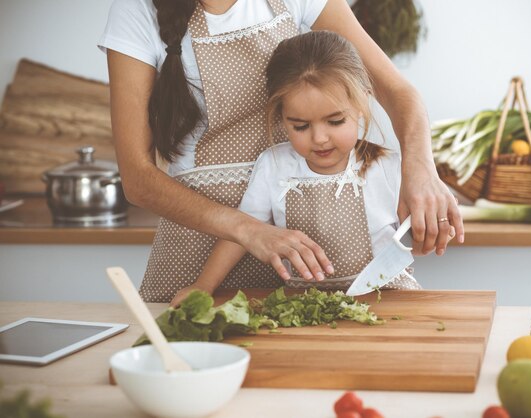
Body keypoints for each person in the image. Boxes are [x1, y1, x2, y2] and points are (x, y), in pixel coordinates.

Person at [99, 0, 464, 303]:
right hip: (200, 252)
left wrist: (421, 169)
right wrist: (250, 230)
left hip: (307, 251)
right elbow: (138, 178)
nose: (319, 137)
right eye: (303, 126)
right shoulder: (136, 8)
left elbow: (398, 91)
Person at [171, 30, 456, 306]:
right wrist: (202, 286)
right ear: (281, 116)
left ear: (361, 103)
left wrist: (429, 232)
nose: (319, 138)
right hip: (305, 307)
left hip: (390, 302)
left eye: (335, 121)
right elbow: (241, 235)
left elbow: (416, 238)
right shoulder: (274, 166)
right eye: (301, 126)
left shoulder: (390, 167)